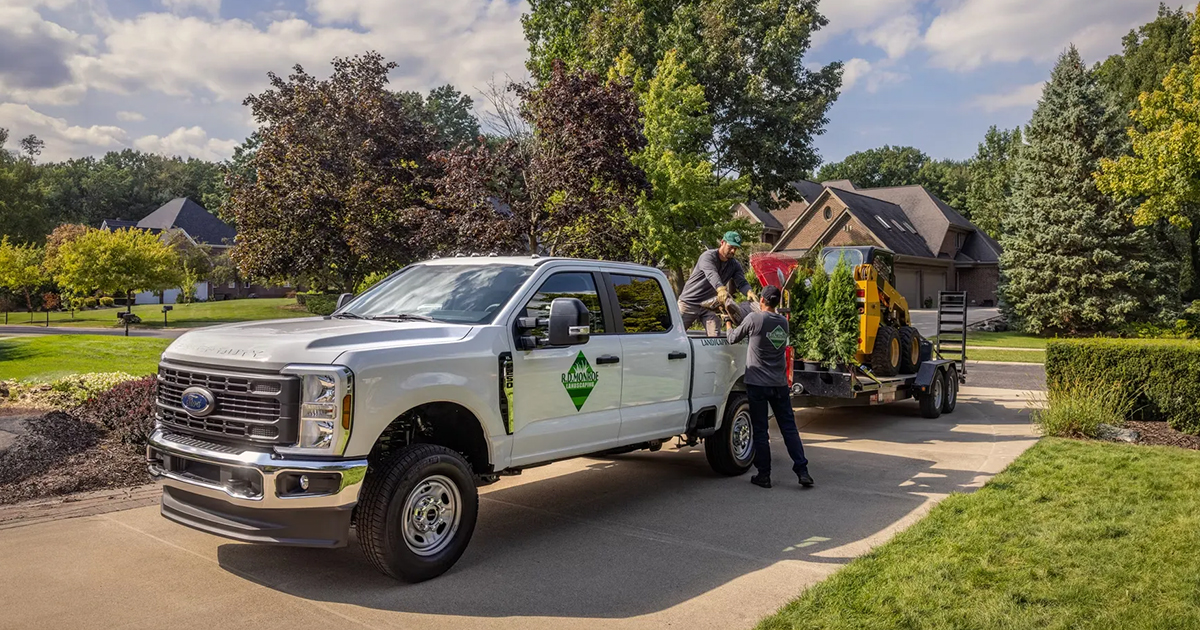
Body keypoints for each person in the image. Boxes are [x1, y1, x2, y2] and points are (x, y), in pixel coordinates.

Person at [725, 284, 814, 489]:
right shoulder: (783, 322)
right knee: (789, 428)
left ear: (762, 301)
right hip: (779, 384)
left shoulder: (755, 319)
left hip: (757, 383)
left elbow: (732, 338)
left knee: (761, 430)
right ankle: (802, 471)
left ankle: (764, 475)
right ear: (776, 302)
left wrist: (728, 322)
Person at [678, 231, 756, 336]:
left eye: (735, 248)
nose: (733, 251)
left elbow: (741, 282)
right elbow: (711, 274)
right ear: (722, 242)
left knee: (714, 337)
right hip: (689, 303)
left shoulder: (734, 265)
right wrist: (720, 289)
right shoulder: (708, 257)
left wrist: (748, 291)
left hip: (709, 305)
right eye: (730, 247)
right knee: (676, 333)